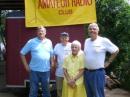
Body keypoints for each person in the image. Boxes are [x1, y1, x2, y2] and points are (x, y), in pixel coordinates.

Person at [84, 23, 119, 97]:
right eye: (90, 29)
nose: (92, 30)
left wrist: (109, 62)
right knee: (89, 94)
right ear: (88, 30)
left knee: (98, 94)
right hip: (87, 73)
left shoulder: (103, 40)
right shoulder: (87, 41)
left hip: (97, 73)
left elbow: (116, 50)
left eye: (94, 28)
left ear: (98, 30)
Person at [20, 26, 53, 97]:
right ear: (37, 32)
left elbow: (51, 54)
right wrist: (26, 66)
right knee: (33, 91)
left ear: (45, 33)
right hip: (34, 71)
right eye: (39, 31)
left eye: (42, 31)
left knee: (46, 92)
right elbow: (22, 53)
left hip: (46, 71)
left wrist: (52, 63)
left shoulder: (49, 42)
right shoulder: (31, 41)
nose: (41, 32)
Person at [53, 32, 71, 97]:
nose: (64, 38)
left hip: (69, 73)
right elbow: (52, 55)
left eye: (65, 37)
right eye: (62, 37)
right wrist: (54, 62)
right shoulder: (57, 46)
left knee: (69, 89)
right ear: (60, 38)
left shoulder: (71, 45)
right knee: (59, 89)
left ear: (68, 38)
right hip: (59, 72)